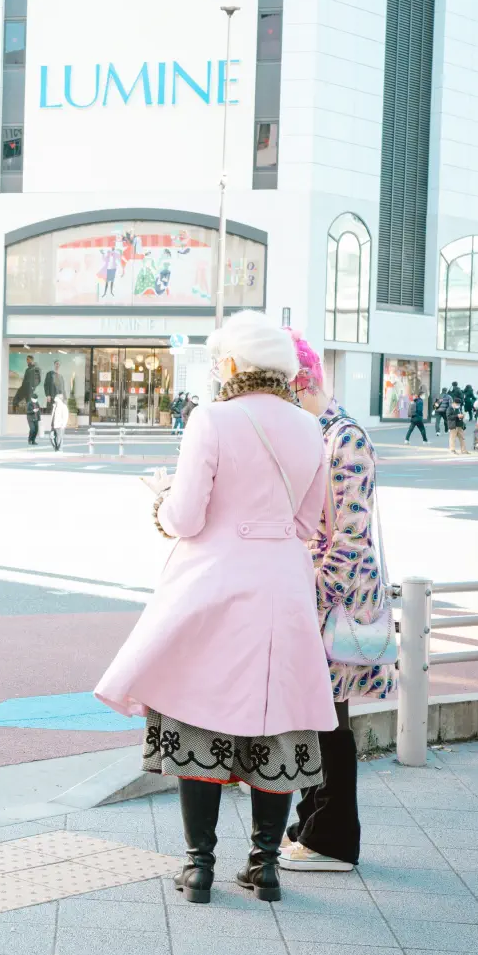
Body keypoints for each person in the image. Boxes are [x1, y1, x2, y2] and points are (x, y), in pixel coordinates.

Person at [95, 311, 336, 906]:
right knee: (277, 722)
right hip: (283, 589)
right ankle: (266, 864)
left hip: (217, 585)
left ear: (230, 365)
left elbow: (187, 518)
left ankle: (199, 865)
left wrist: (159, 502)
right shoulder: (313, 427)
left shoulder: (213, 418)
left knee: (198, 715)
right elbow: (310, 524)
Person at [281, 330, 393, 873]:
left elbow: (350, 534)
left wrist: (315, 596)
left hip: (338, 598)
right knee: (318, 713)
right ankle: (310, 825)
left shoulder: (344, 438)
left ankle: (333, 838)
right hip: (323, 594)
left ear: (301, 382)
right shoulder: (314, 435)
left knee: (330, 719)